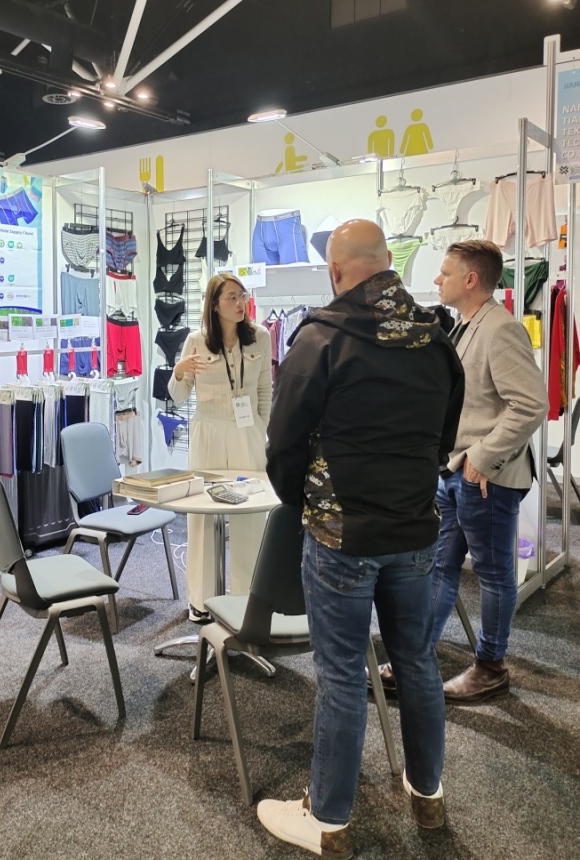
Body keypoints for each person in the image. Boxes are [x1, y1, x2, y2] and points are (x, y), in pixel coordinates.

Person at [258, 220, 464, 858]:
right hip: (414, 527)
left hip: (342, 531)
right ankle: (427, 792)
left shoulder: (321, 337)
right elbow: (443, 437)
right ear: (389, 262)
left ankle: (328, 819)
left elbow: (284, 444)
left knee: (342, 674)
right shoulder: (436, 339)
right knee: (417, 661)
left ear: (336, 271)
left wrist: (304, 501)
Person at [377, 241, 549, 705]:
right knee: (437, 567)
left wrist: (482, 458)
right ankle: (414, 658)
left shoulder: (501, 328)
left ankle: (491, 666)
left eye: (446, 272)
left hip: (485, 478)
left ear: (471, 279)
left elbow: (531, 404)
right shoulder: (465, 325)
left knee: (493, 574)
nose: (437, 280)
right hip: (454, 472)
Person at [168, 273, 272, 622]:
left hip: (247, 430)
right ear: (214, 305)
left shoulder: (260, 337)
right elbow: (178, 396)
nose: (240, 303)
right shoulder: (196, 341)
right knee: (202, 515)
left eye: (242, 296)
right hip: (208, 431)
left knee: (251, 513)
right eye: (231, 297)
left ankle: (247, 599)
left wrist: (261, 427)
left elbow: (265, 389)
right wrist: (178, 371)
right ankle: (201, 600)